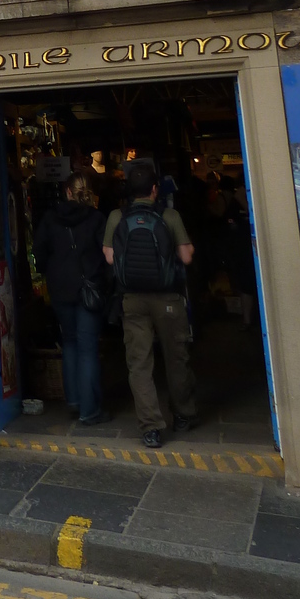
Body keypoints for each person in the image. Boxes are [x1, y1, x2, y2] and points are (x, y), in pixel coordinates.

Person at [104, 157, 197, 448]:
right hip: (168, 298)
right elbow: (186, 257)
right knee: (176, 358)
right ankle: (182, 414)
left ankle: (151, 428)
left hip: (132, 300)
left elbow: (109, 257)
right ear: (155, 189)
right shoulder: (170, 217)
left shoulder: (116, 217)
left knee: (139, 365)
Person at [33, 174, 111, 427]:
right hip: (88, 288)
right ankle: (90, 410)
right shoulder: (97, 218)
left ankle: (74, 400)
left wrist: (53, 271)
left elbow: (39, 253)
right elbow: (106, 254)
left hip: (59, 288)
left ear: (66, 191)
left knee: (69, 342)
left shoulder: (50, 218)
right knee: (88, 347)